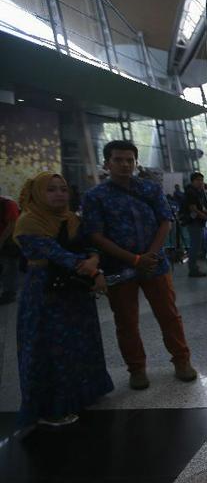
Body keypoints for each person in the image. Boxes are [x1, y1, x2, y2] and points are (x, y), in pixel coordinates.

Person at [82, 140, 197, 390]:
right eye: (118, 160)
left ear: (136, 163)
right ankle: (136, 369)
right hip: (118, 268)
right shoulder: (95, 196)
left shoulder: (150, 189)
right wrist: (134, 259)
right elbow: (95, 235)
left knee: (169, 315)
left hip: (155, 265)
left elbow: (165, 221)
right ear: (107, 163)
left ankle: (181, 361)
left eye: (129, 160)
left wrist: (150, 256)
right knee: (126, 321)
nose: (124, 164)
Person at [13, 172, 113, 427]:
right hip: (46, 294)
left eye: (63, 189)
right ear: (37, 194)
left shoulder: (72, 220)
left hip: (74, 292)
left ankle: (83, 394)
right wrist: (94, 271)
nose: (59, 194)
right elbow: (58, 255)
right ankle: (51, 408)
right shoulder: (29, 222)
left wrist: (94, 259)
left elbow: (88, 246)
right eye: (51, 190)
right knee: (51, 348)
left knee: (80, 342)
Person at [182, 172, 207, 277]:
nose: (200, 183)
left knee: (197, 244)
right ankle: (192, 269)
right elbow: (193, 208)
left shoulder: (197, 192)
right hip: (193, 222)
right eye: (198, 180)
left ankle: (194, 267)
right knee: (195, 246)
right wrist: (204, 216)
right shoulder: (191, 192)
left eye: (201, 180)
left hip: (197, 222)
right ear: (193, 181)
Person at [0, 189, 21, 305]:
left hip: (10, 243)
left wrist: (1, 241)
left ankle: (9, 293)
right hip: (5, 241)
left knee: (10, 268)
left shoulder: (8, 204)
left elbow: (12, 224)